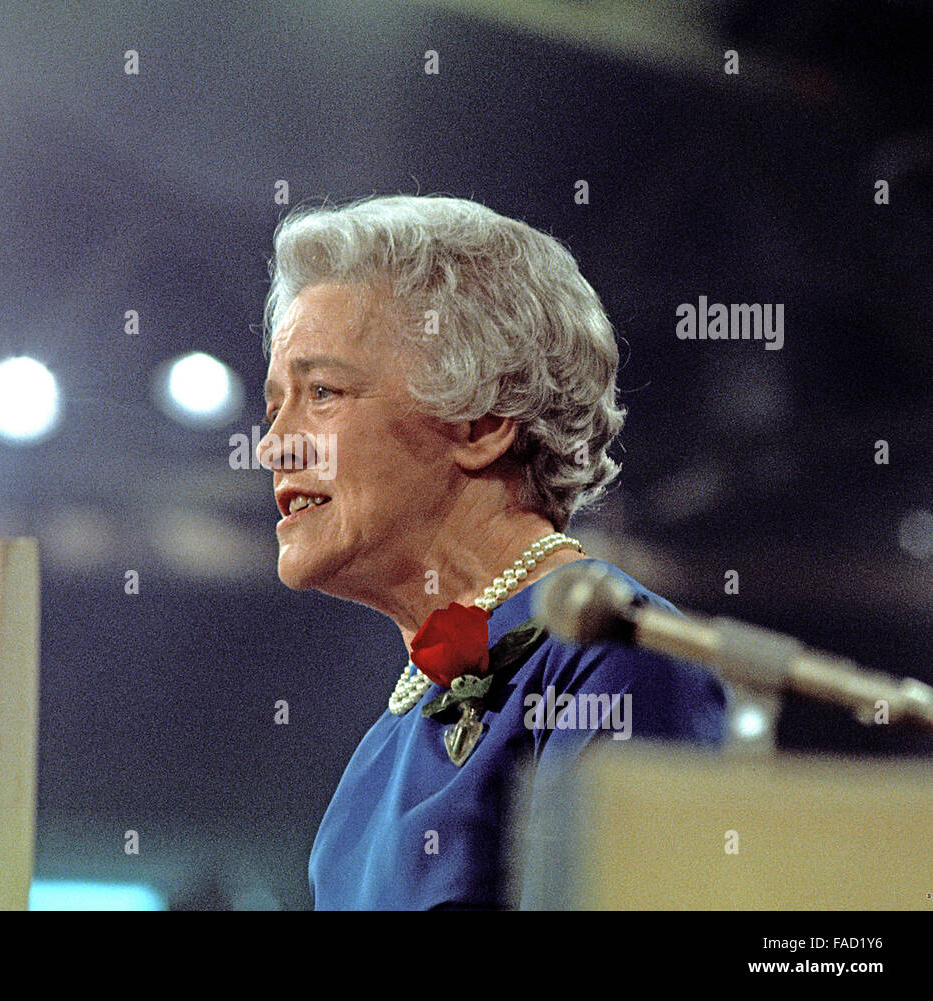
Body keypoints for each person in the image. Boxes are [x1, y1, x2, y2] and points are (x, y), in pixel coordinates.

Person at [256, 194, 726, 909]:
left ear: (483, 422)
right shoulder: (380, 750)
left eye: (322, 392)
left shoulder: (616, 653)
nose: (274, 443)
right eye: (274, 406)